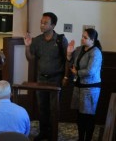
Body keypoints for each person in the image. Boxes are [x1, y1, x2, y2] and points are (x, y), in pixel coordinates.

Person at [24, 12, 68, 141]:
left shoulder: (60, 40)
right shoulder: (37, 40)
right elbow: (30, 58)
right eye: (41, 22)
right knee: (42, 107)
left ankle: (52, 133)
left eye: (45, 23)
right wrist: (27, 47)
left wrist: (65, 77)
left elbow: (67, 60)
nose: (42, 25)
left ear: (53, 25)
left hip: (56, 79)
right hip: (41, 79)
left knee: (54, 109)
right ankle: (43, 132)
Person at [66, 28, 102, 141]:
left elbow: (91, 71)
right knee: (80, 116)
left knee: (88, 117)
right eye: (82, 36)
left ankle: (88, 139)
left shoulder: (96, 52)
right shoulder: (79, 49)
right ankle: (81, 138)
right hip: (79, 86)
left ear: (92, 40)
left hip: (90, 88)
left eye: (85, 37)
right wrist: (69, 54)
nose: (82, 39)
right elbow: (71, 63)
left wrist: (77, 72)